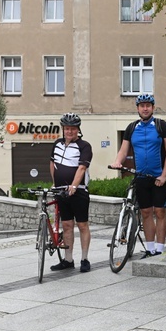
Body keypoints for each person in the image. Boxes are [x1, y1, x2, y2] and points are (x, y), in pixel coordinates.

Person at [112, 94, 166, 257]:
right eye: (142, 106)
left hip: (158, 177)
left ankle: (160, 249)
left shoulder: (162, 126)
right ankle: (150, 248)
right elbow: (123, 150)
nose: (145, 108)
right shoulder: (132, 128)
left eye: (148, 105)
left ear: (153, 108)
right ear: (138, 108)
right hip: (141, 177)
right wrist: (118, 162)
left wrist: (164, 175)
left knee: (160, 212)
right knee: (146, 213)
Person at [50, 113, 94, 272]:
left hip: (79, 192)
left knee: (82, 224)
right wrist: (55, 184)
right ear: (63, 129)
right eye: (67, 128)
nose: (69, 132)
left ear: (78, 130)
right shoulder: (57, 144)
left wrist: (74, 186)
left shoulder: (84, 146)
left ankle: (84, 259)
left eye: (73, 129)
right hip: (61, 192)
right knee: (67, 225)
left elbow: (82, 167)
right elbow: (52, 163)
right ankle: (68, 260)